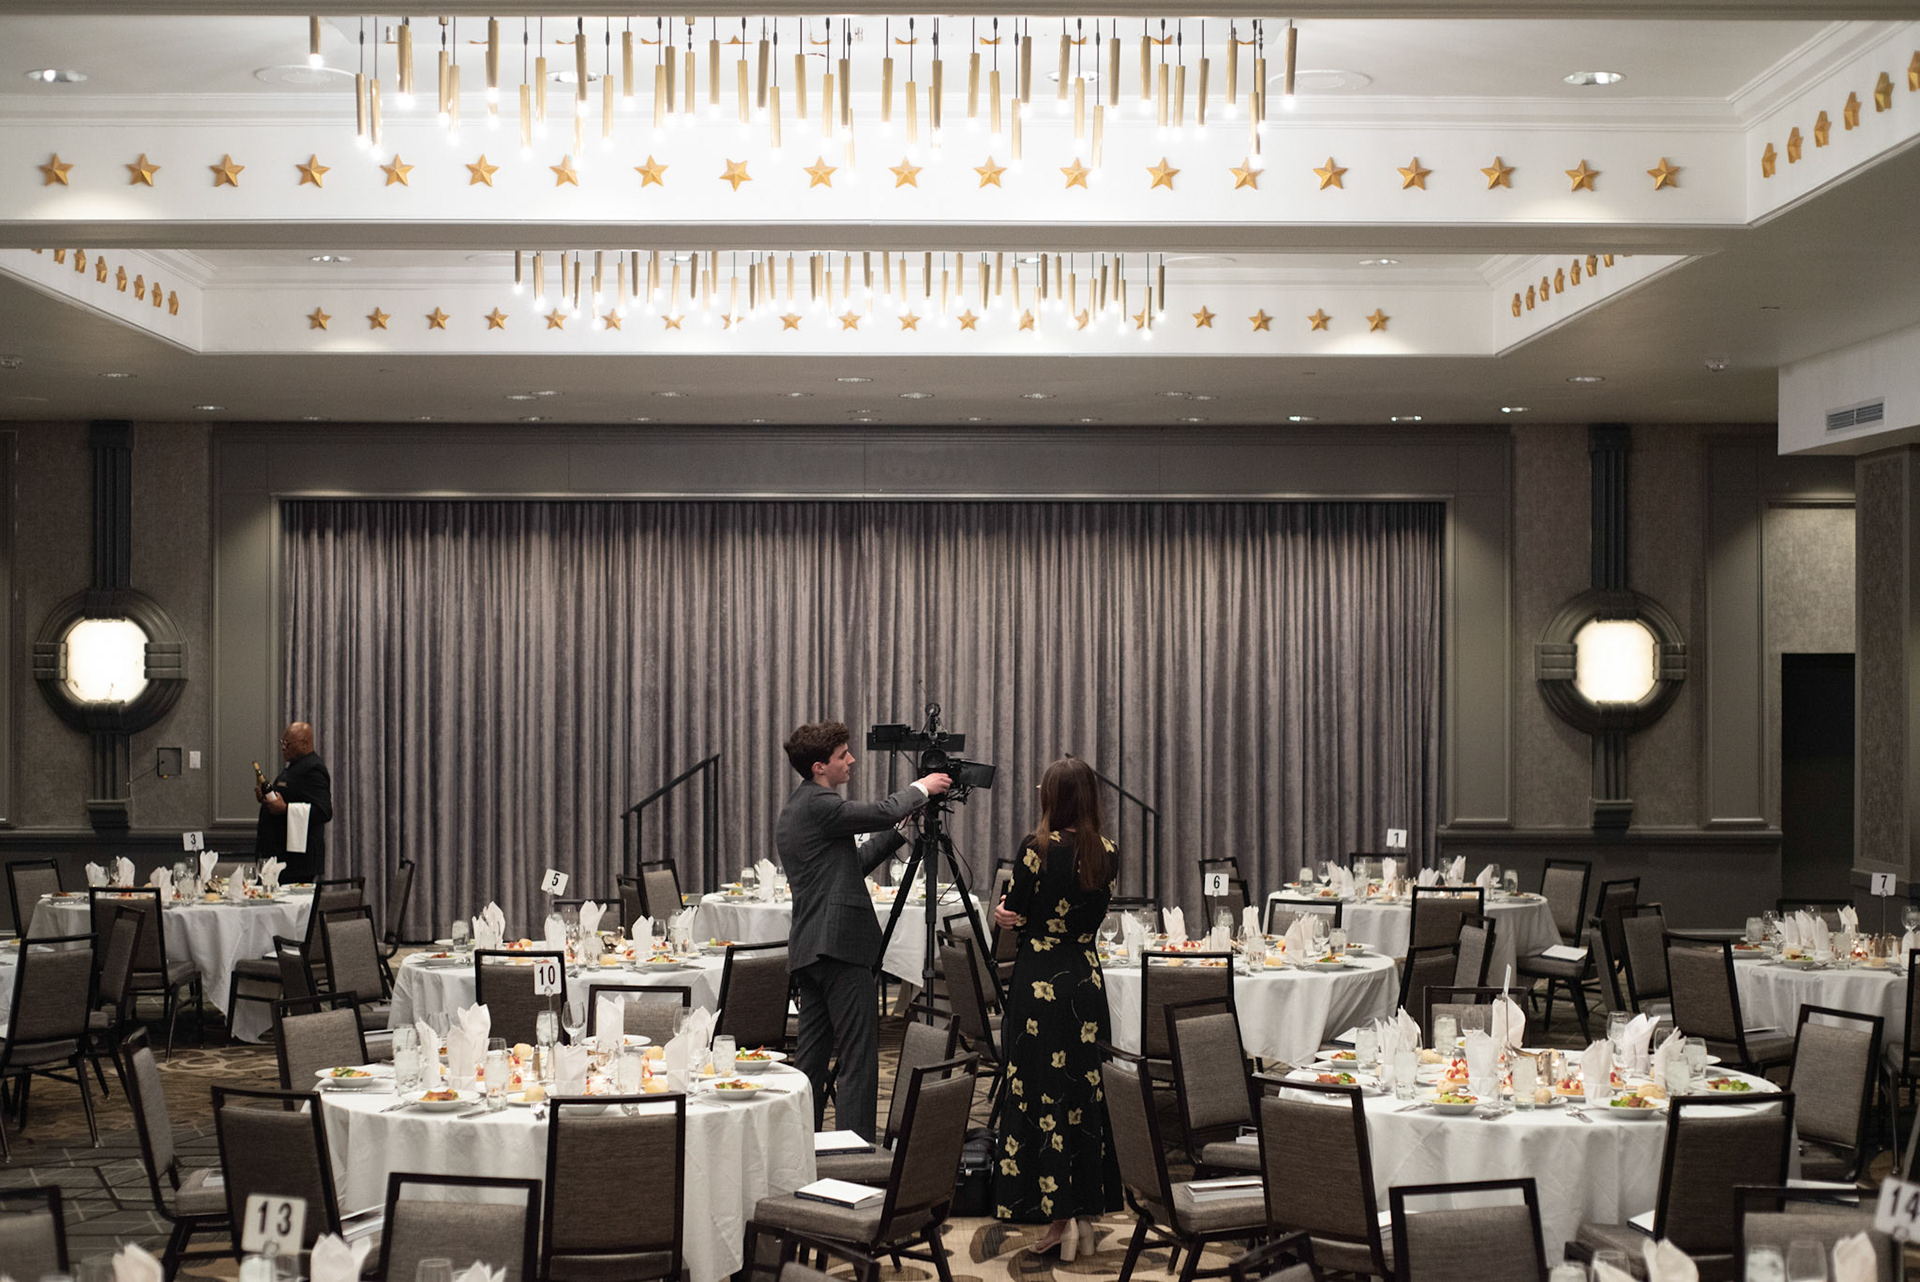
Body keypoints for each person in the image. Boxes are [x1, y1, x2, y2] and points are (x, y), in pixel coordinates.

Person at [778, 720, 950, 1140]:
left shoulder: (799, 808)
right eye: (842, 755)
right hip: (840, 948)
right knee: (858, 1057)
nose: (851, 760)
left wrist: (899, 832)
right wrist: (923, 787)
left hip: (814, 949)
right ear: (820, 767)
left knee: (812, 1062)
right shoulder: (820, 804)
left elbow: (848, 868)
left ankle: (801, 1147)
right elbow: (880, 810)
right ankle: (856, 1155)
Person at [993, 756, 1120, 1259]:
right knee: (1083, 1095)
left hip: (1040, 982)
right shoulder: (1108, 851)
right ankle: (1085, 1209)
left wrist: (1005, 916)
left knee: (1040, 1094)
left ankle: (1056, 1218)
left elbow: (1017, 909)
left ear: (1055, 797)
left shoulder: (1036, 848)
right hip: (1086, 980)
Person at [255, 721, 333, 884]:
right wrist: (267, 799)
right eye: (282, 743)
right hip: (282, 857)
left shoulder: (314, 768)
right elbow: (289, 796)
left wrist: (285, 808)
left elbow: (324, 811)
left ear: (305, 743)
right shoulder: (295, 767)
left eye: (288, 744)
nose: (283, 748)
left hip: (297, 861)